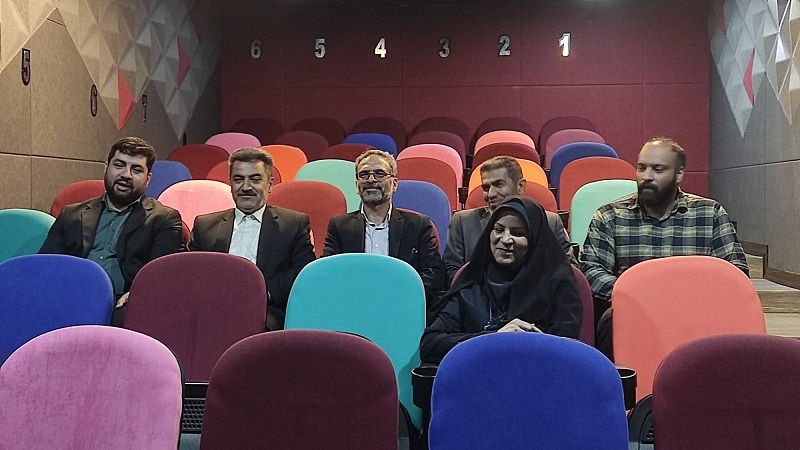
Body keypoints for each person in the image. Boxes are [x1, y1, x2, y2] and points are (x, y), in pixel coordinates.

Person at [580, 137, 749, 359]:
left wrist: (679, 300)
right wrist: (639, 297)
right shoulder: (610, 216)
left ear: (679, 174)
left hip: (696, 311)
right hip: (632, 312)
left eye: (658, 169)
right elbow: (591, 270)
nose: (646, 176)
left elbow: (735, 272)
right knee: (610, 321)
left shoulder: (710, 214)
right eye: (641, 168)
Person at [39, 137, 184, 326]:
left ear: (148, 179)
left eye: (136, 169)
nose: (126, 175)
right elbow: (46, 265)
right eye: (119, 165)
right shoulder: (71, 214)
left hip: (123, 304)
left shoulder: (163, 219)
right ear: (106, 168)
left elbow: (162, 277)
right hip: (70, 297)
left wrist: (138, 293)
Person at [420, 196, 582, 364]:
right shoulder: (473, 278)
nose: (505, 240)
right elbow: (430, 345)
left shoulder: (557, 282)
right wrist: (493, 339)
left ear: (534, 239)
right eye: (498, 230)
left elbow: (565, 352)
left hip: (537, 374)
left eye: (517, 233)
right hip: (477, 374)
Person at [189, 147, 315, 330]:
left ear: (270, 184)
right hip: (213, 307)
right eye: (238, 179)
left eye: (255, 179)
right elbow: (193, 273)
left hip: (266, 309)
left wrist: (263, 294)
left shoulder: (293, 224)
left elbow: (302, 271)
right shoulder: (205, 226)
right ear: (230, 184)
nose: (246, 187)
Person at [323, 149, 447, 309]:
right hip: (352, 306)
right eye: (364, 175)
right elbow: (329, 273)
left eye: (379, 174)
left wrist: (399, 297)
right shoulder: (339, 226)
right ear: (356, 185)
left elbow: (434, 274)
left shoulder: (418, 225)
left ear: (394, 184)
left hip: (403, 305)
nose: (371, 180)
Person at [443, 155, 574, 283]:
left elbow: (568, 272)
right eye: (486, 188)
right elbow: (453, 272)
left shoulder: (550, 222)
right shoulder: (462, 222)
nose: (491, 194)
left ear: (520, 186)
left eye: (499, 185)